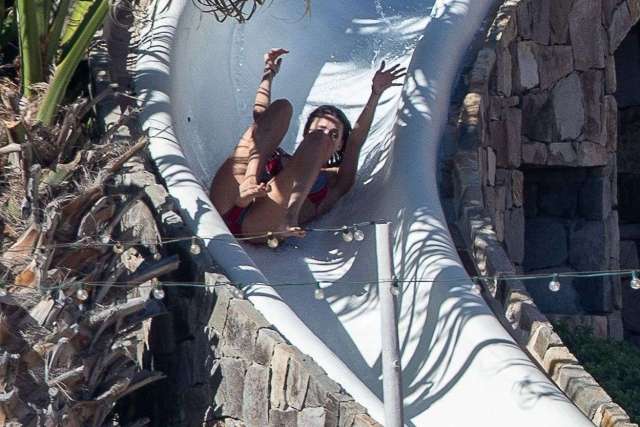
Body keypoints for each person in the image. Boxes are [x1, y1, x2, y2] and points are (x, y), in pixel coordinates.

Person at [209, 48, 406, 243]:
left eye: (334, 135)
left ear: (340, 146)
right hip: (230, 195)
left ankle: (290, 216)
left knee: (289, 133)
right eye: (318, 129)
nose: (324, 135)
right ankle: (250, 181)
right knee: (282, 108)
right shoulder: (278, 155)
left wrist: (375, 94)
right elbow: (262, 120)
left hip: (261, 224)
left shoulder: (333, 180)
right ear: (305, 134)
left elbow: (355, 141)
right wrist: (269, 73)